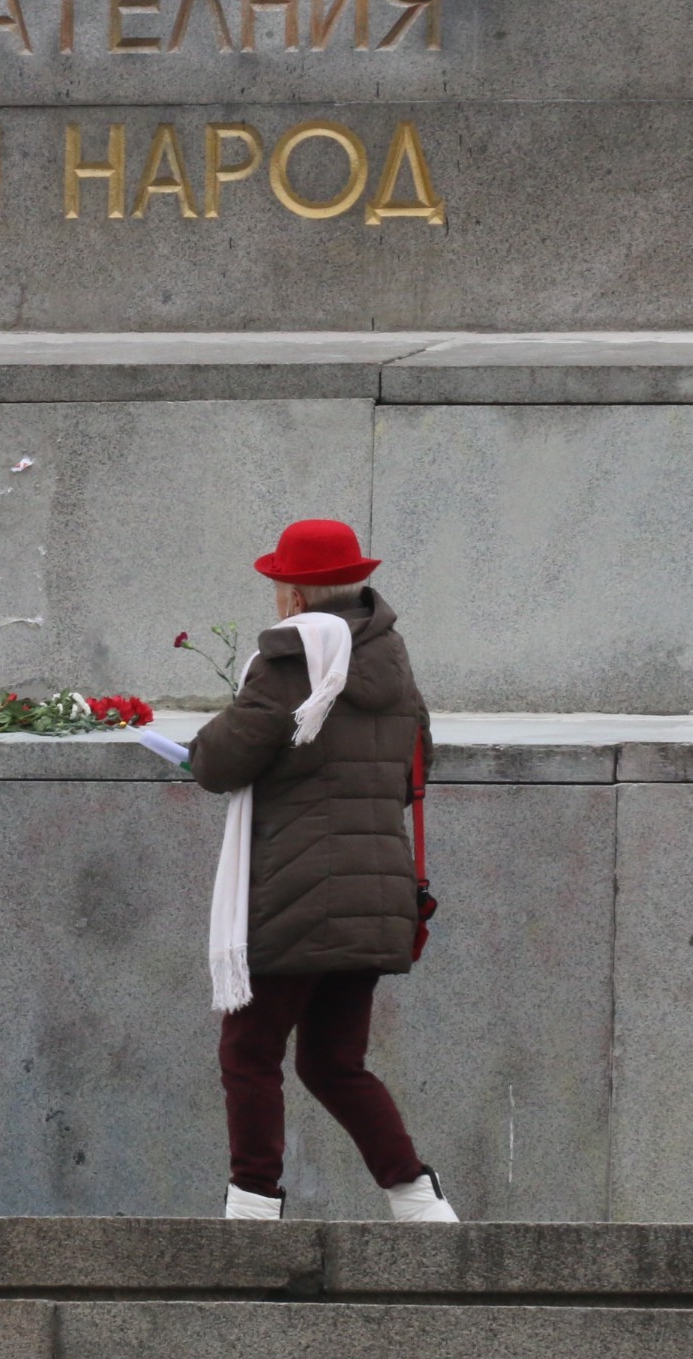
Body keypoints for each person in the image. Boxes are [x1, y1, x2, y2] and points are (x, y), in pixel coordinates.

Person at [189, 517, 457, 1223]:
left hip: (295, 896)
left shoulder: (288, 663)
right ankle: (418, 1200)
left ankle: (252, 1206)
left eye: (279, 587)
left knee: (250, 1052)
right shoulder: (392, 664)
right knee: (333, 1062)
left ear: (296, 595)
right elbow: (417, 767)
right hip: (377, 896)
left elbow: (217, 763)